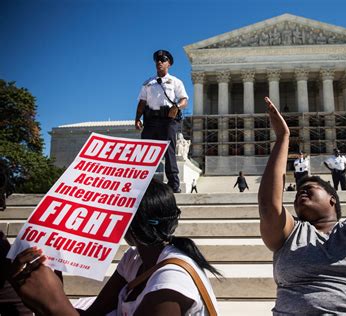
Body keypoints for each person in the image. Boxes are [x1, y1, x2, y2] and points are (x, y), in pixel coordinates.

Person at [259, 93, 346, 314]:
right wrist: (283, 138)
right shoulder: (290, 234)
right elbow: (268, 205)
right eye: (298, 192)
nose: (301, 191)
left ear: (333, 198)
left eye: (310, 188)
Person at [8, 180, 220, 316]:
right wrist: (46, 291)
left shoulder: (171, 283)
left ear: (129, 223)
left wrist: (54, 303)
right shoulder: (134, 259)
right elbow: (95, 312)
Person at [135, 50, 189, 193]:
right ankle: (144, 184)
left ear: (169, 64)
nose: (159, 62)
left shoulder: (176, 82)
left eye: (163, 60)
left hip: (168, 120)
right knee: (146, 152)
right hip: (151, 120)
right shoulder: (148, 83)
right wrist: (137, 118)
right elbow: (142, 102)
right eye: (157, 60)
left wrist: (177, 106)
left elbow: (184, 100)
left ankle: (173, 184)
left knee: (169, 151)